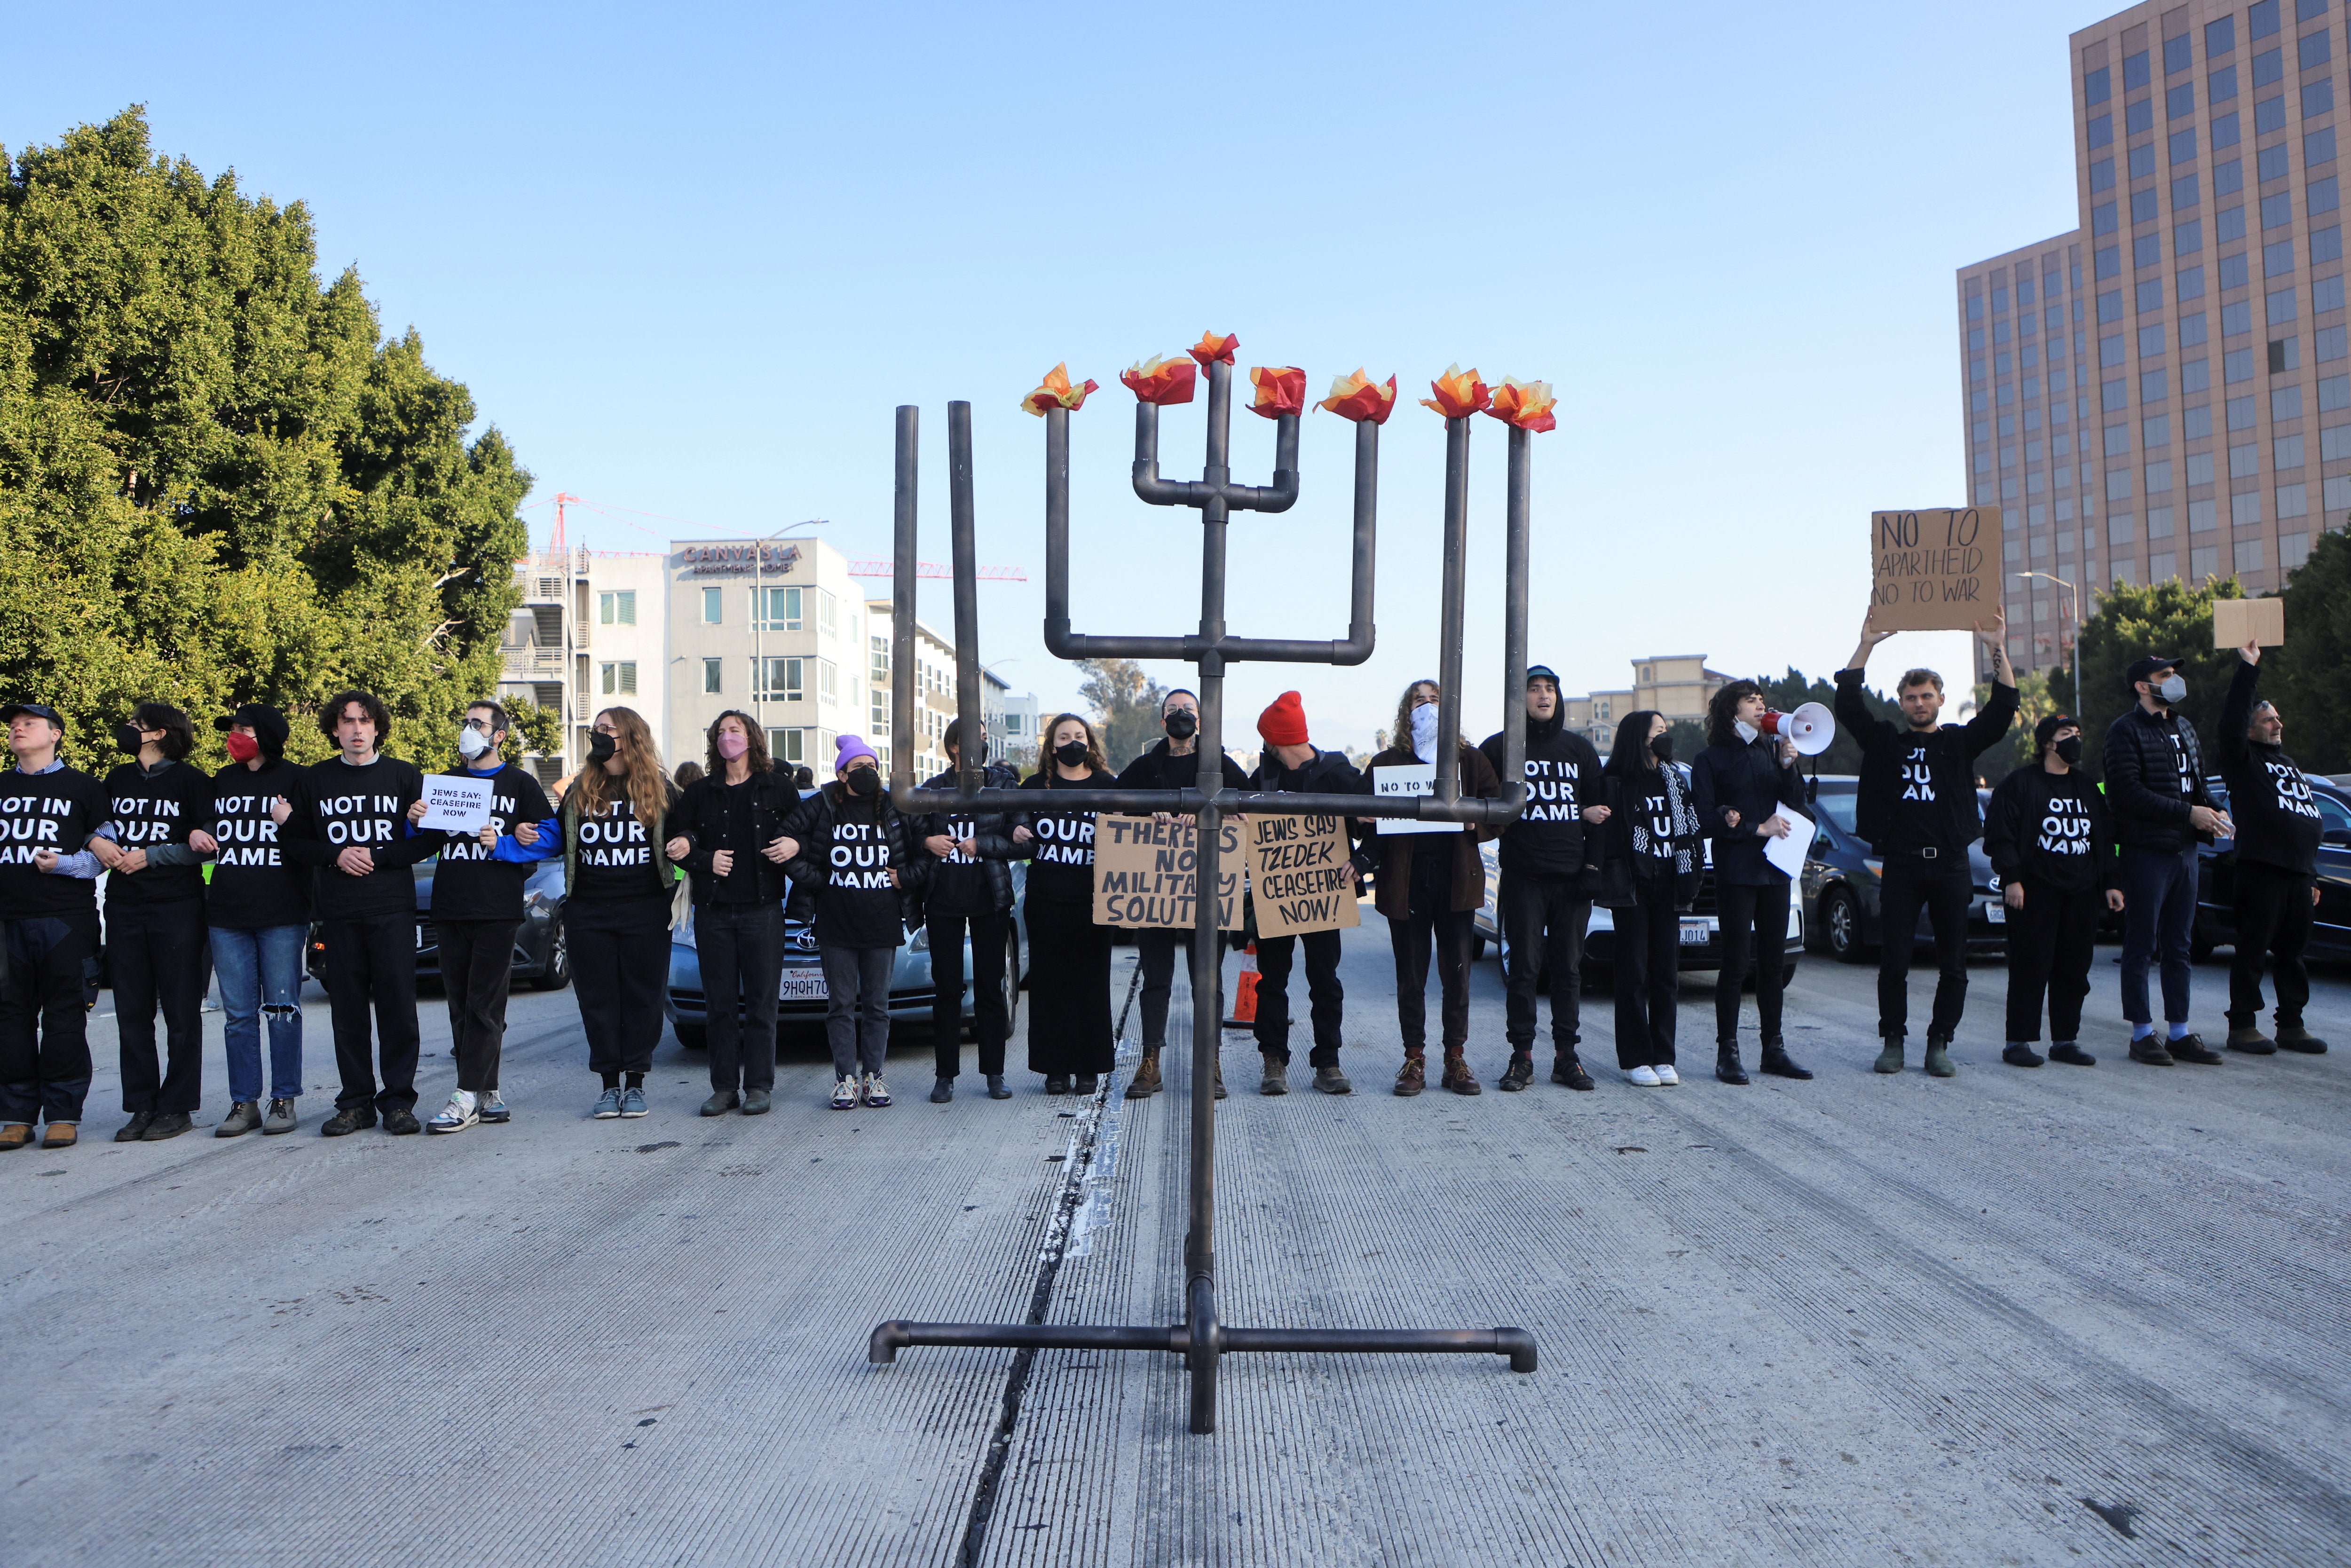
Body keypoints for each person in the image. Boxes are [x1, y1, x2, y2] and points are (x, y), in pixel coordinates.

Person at [1837, 609, 2018, 1077]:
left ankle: (1939, 1041)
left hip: (1950, 866)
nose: (1918, 703)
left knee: (1952, 961)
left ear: (1940, 698)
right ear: (1900, 702)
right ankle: (1892, 1040)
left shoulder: (1957, 743)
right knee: (1893, 960)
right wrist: (1866, 645)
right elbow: (1849, 706)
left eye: (1926, 695)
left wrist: (1994, 647)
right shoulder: (1885, 742)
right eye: (1910, 697)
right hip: (1900, 863)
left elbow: (2000, 711)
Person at [278, 690, 430, 1135]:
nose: (357, 729)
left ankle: (399, 1102)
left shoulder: (405, 776)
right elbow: (295, 841)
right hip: (339, 912)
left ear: (378, 726)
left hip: (393, 909)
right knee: (347, 1011)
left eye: (365, 721)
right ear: (334, 729)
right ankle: (356, 1103)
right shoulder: (315, 780)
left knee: (398, 1009)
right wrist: (335, 855)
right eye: (348, 722)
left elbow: (429, 839)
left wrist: (380, 855)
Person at [399, 701, 555, 1133]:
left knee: (486, 1002)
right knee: (461, 1004)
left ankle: (464, 1095)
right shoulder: (447, 781)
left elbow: (553, 836)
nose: (468, 729)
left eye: (478, 724)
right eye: (465, 722)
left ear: (498, 735)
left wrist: (511, 839)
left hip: (496, 909)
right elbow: (423, 840)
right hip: (450, 907)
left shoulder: (519, 784)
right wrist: (413, 819)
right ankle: (487, 1089)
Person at [521, 706, 682, 1118]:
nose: (599, 736)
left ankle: (636, 1083)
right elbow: (557, 839)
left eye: (607, 729)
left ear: (630, 736)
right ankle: (609, 1085)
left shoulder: (660, 790)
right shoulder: (581, 790)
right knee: (598, 999)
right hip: (589, 912)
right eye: (596, 730)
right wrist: (526, 833)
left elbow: (686, 835)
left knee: (643, 996)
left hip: (645, 910)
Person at [1363, 680, 1502, 1097]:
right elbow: (1361, 817)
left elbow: (1499, 806)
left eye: (1435, 700)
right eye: (1419, 700)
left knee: (1457, 973)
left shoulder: (1470, 760)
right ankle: (1414, 1057)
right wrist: (1365, 819)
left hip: (1456, 881)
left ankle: (1455, 1056)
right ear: (1407, 713)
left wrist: (1477, 819)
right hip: (1405, 883)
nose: (1427, 706)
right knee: (1411, 975)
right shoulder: (1387, 762)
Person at [87, 704, 213, 1141]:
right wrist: (97, 841)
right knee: (132, 1012)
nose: (128, 731)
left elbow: (207, 845)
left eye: (136, 726)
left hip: (176, 905)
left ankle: (177, 1107)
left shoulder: (193, 781)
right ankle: (141, 1104)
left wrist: (154, 855)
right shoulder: (117, 779)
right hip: (123, 906)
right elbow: (93, 826)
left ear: (159, 733)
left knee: (180, 1011)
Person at [1478, 663, 1605, 1092]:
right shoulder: (1499, 748)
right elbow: (1477, 801)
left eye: (1550, 688)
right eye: (1534, 689)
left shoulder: (1579, 750)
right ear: (1521, 699)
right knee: (1524, 969)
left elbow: (1603, 814)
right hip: (1523, 877)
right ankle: (1522, 1056)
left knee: (1568, 970)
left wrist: (1592, 870)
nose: (1543, 695)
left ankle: (1566, 1056)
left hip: (1570, 880)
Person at [773, 735, 919, 1109]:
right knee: (840, 1005)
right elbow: (784, 840)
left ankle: (874, 1077)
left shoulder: (894, 806)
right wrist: (817, 878)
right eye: (859, 768)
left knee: (877, 1006)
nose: (868, 773)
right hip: (836, 924)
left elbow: (922, 849)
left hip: (882, 922)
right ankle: (845, 1080)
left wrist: (905, 877)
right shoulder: (823, 804)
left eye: (873, 766)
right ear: (842, 774)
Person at [1116, 689, 1248, 1098]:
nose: (1181, 715)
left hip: (1209, 891)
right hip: (1156, 890)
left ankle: (1211, 1063)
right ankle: (1151, 1060)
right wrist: (1146, 811)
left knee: (1207, 981)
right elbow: (1114, 811)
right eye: (1173, 710)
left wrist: (1227, 811)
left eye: (1188, 709)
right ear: (1162, 722)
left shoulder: (1222, 767)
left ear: (1201, 721)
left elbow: (1248, 807)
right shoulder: (1143, 768)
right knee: (1156, 979)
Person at [2103, 653, 2233, 1065]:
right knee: (2142, 944)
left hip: (2186, 852)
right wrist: (2187, 813)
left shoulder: (2184, 728)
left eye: (2175, 674)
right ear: (2143, 686)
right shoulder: (2124, 731)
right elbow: (2126, 793)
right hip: (2146, 852)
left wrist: (2214, 810)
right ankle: (2142, 1033)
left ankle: (2179, 1030)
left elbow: (2194, 787)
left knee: (2180, 944)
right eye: (2165, 675)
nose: (2174, 680)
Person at [188, 704, 310, 1136]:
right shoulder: (221, 780)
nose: (236, 736)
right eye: (233, 729)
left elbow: (313, 837)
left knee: (281, 1009)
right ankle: (244, 1102)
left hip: (282, 913)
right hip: (227, 913)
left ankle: (284, 1099)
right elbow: (200, 822)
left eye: (245, 729)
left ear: (269, 735)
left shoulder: (298, 778)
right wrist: (196, 832)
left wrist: (290, 820)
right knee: (238, 1015)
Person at [669, 712, 797, 1115]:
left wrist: (795, 845)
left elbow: (809, 833)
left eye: (735, 731)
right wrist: (705, 859)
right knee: (720, 1004)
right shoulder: (700, 792)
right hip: (714, 912)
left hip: (763, 910)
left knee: (762, 1003)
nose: (728, 738)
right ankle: (724, 1087)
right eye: (721, 733)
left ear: (752, 739)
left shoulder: (778, 788)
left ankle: (759, 1086)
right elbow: (679, 840)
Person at [1689, 681, 1814, 1084]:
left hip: (1775, 872)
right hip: (1737, 871)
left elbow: (1798, 805)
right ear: (1732, 711)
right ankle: (1728, 1051)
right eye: (1751, 700)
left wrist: (1788, 765)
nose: (1761, 705)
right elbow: (1705, 819)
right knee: (1736, 962)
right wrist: (1754, 827)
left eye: (1762, 699)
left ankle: (1773, 1049)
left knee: (1773, 964)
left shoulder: (1771, 750)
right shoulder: (1710, 759)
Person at [1985, 714, 2122, 1068]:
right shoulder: (2020, 784)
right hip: (2035, 891)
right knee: (2031, 966)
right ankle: (2019, 1041)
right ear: (2048, 742)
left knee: (2074, 969)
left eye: (2078, 733)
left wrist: (2111, 882)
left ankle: (2066, 1040)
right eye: (2066, 734)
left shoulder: (2087, 787)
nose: (2075, 740)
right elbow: (2000, 834)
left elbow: (2104, 838)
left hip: (2081, 893)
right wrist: (2012, 878)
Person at [0, 702, 108, 1151]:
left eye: (28, 723)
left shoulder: (84, 787)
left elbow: (108, 852)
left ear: (56, 734)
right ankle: (15, 1113)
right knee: (9, 1019)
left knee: (64, 1017)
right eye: (12, 725)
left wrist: (62, 863)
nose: (17, 729)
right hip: (6, 920)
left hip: (66, 919)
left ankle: (63, 1112)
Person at [2217, 638, 2329, 1055]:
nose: (2277, 724)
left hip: (2298, 873)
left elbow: (2303, 819)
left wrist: (2311, 873)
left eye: (2278, 718)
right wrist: (2248, 669)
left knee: (2293, 954)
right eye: (2267, 719)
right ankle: (2243, 1025)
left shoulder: (2289, 764)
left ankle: (2291, 1025)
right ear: (2249, 729)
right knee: (2252, 951)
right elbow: (2229, 723)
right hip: (2261, 870)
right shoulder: (2243, 761)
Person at [1248, 691, 1363, 1096]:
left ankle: (1328, 1062)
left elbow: (1380, 815)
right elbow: (1237, 817)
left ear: (1275, 740)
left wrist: (1364, 861)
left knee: (1325, 979)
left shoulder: (1338, 773)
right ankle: (1273, 1060)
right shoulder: (1265, 776)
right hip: (1276, 895)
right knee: (1271, 980)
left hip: (1323, 894)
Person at [1592, 710, 1700, 1086]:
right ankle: (1636, 1057)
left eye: (1667, 730)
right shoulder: (1618, 782)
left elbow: (1692, 824)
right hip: (1635, 885)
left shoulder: (1674, 779)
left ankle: (1664, 1055)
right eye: (1659, 731)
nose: (1665, 737)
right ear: (1640, 738)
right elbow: (1607, 836)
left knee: (1666, 974)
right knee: (1634, 973)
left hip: (1671, 884)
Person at [918, 718, 1020, 1103]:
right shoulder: (933, 789)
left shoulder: (1003, 785)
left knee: (990, 990)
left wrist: (984, 843)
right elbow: (911, 833)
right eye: (972, 738)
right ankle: (945, 1075)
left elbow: (1021, 840)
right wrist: (928, 840)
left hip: (990, 899)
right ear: (954, 746)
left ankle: (995, 1073)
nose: (981, 743)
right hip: (943, 899)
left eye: (984, 737)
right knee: (946, 990)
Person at [1015, 714, 1116, 1096]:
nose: (1073, 741)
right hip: (1045, 902)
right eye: (1064, 736)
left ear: (1089, 741)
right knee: (1049, 986)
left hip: (1095, 903)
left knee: (1090, 985)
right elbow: (1014, 824)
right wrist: (1016, 828)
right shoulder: (1034, 786)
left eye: (1079, 735)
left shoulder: (1109, 786)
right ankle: (1054, 1068)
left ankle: (1088, 1066)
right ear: (1052, 745)